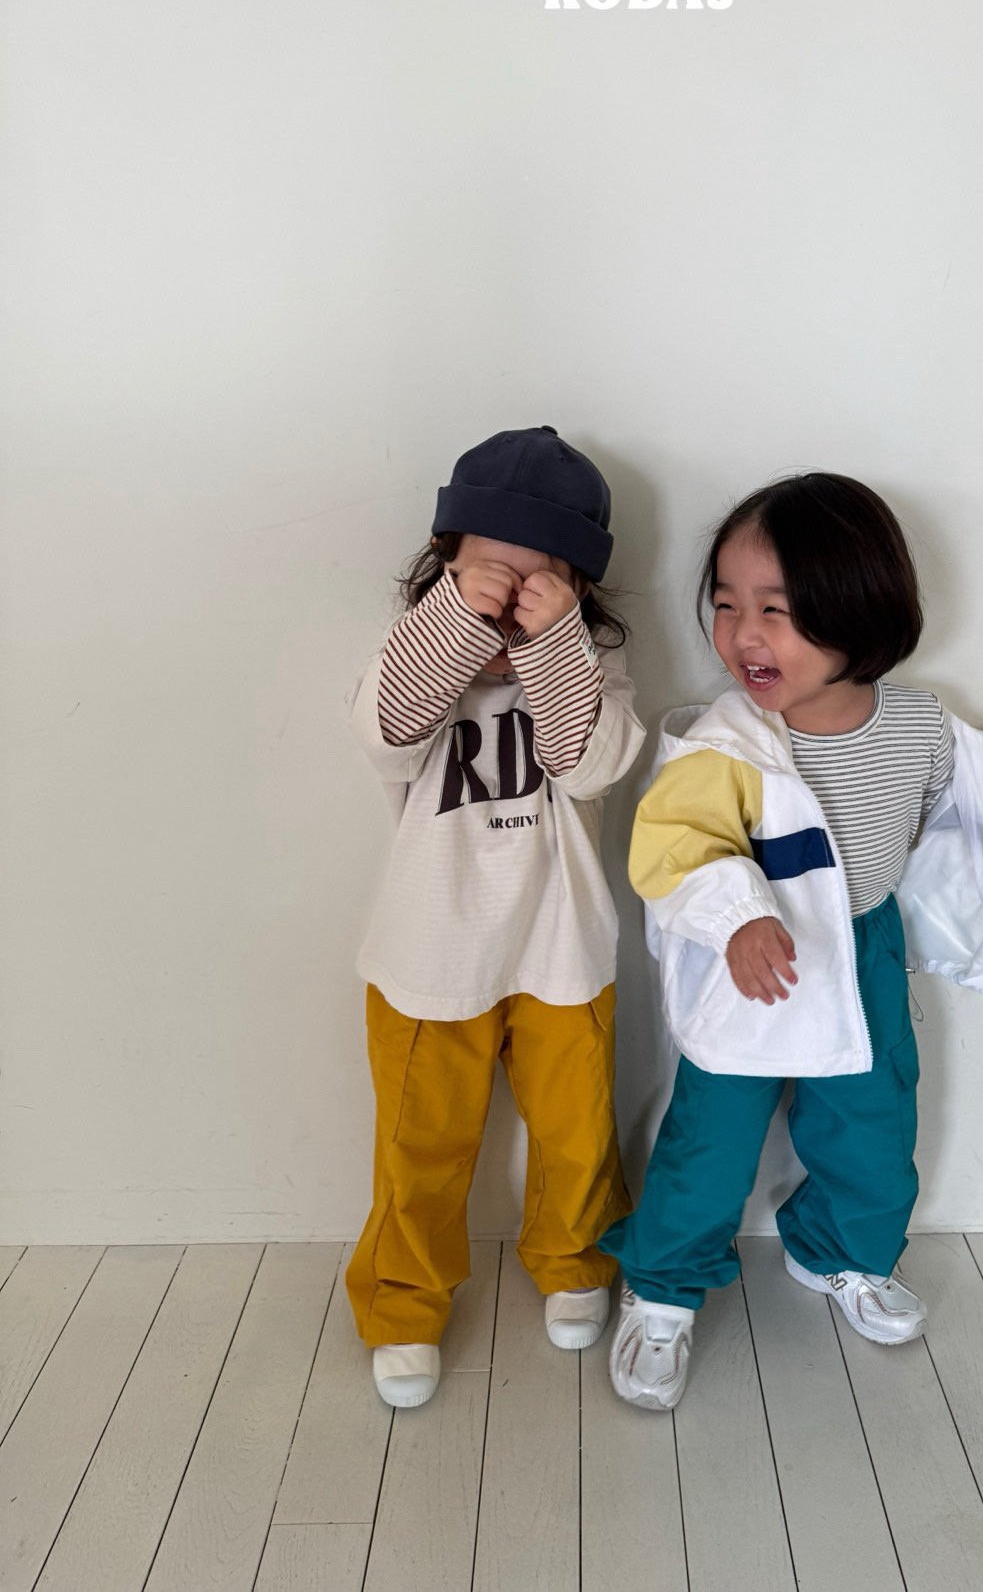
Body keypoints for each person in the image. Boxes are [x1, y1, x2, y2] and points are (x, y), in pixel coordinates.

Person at [600, 472, 983, 1410]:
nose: (743, 634)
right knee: (712, 1139)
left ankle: (841, 1253)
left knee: (872, 1122)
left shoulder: (918, 727)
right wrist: (737, 915)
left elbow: (981, 807)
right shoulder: (729, 742)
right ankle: (661, 1287)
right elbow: (675, 843)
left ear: (857, 610)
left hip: (863, 949)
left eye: (775, 610)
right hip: (754, 962)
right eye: (727, 604)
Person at [346, 426, 644, 1408]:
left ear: (579, 587)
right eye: (488, 571)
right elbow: (386, 733)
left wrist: (554, 643)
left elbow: (587, 764)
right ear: (444, 562)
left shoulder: (595, 667)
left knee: (576, 1132)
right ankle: (403, 1303)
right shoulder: (410, 656)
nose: (511, 594)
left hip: (562, 941)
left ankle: (574, 1260)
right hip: (429, 949)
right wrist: (457, 622)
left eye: (539, 579)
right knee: (418, 1147)